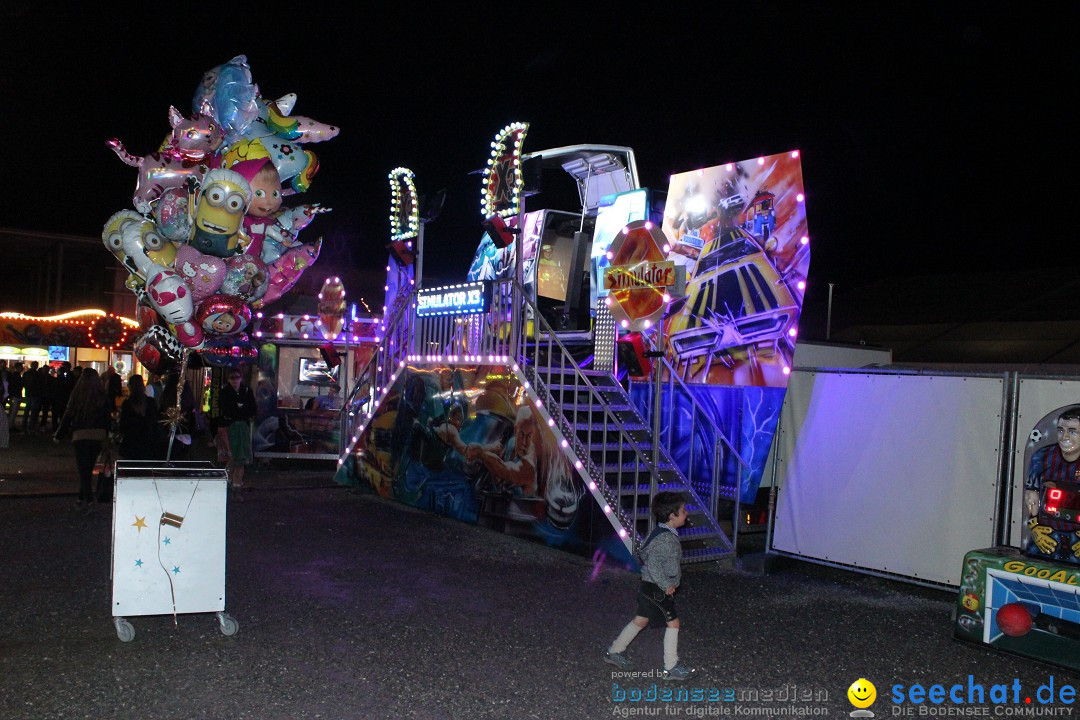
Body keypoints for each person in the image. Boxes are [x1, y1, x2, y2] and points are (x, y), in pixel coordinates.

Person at [603, 492, 696, 681]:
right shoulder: (665, 539)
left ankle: (614, 651)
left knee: (641, 620)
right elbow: (652, 564)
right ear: (672, 516)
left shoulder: (661, 533)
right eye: (683, 511)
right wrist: (666, 584)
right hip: (656, 588)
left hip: (649, 586)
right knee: (673, 623)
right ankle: (671, 667)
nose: (686, 514)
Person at [1025, 408, 1080, 561]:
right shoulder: (1042, 457)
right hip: (1047, 533)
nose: (1065, 437)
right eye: (1061, 430)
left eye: (1073, 431)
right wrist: (1034, 527)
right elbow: (1032, 496)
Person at [54, 368, 112, 514]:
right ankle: (81, 499)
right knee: (87, 468)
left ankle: (90, 500)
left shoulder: (77, 394)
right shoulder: (101, 395)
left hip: (80, 435)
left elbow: (68, 415)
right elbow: (107, 418)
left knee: (83, 470)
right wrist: (108, 435)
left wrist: (59, 434)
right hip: (98, 436)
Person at [218, 368, 256, 498]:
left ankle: (236, 485)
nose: (234, 381)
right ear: (228, 379)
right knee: (232, 456)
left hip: (242, 427)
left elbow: (252, 409)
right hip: (230, 427)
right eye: (232, 378)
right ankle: (228, 482)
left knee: (241, 457)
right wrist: (239, 410)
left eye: (236, 378)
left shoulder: (246, 391)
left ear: (241, 378)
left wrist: (239, 410)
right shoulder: (225, 392)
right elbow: (225, 409)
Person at [119, 375, 162, 461]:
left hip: (131, 443)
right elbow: (155, 421)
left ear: (130, 387)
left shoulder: (127, 404)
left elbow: (123, 425)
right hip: (148, 442)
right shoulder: (150, 402)